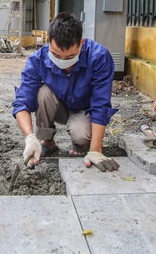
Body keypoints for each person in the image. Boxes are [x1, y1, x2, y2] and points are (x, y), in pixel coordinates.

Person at [11, 12, 120, 172]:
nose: (62, 61)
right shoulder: (37, 60)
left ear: (81, 44)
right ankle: (46, 141)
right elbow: (22, 102)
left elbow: (100, 104)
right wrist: (30, 138)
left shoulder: (99, 57)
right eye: (56, 55)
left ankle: (82, 145)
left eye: (70, 56)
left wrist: (96, 150)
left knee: (81, 134)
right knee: (43, 93)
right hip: (58, 106)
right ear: (49, 42)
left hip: (85, 110)